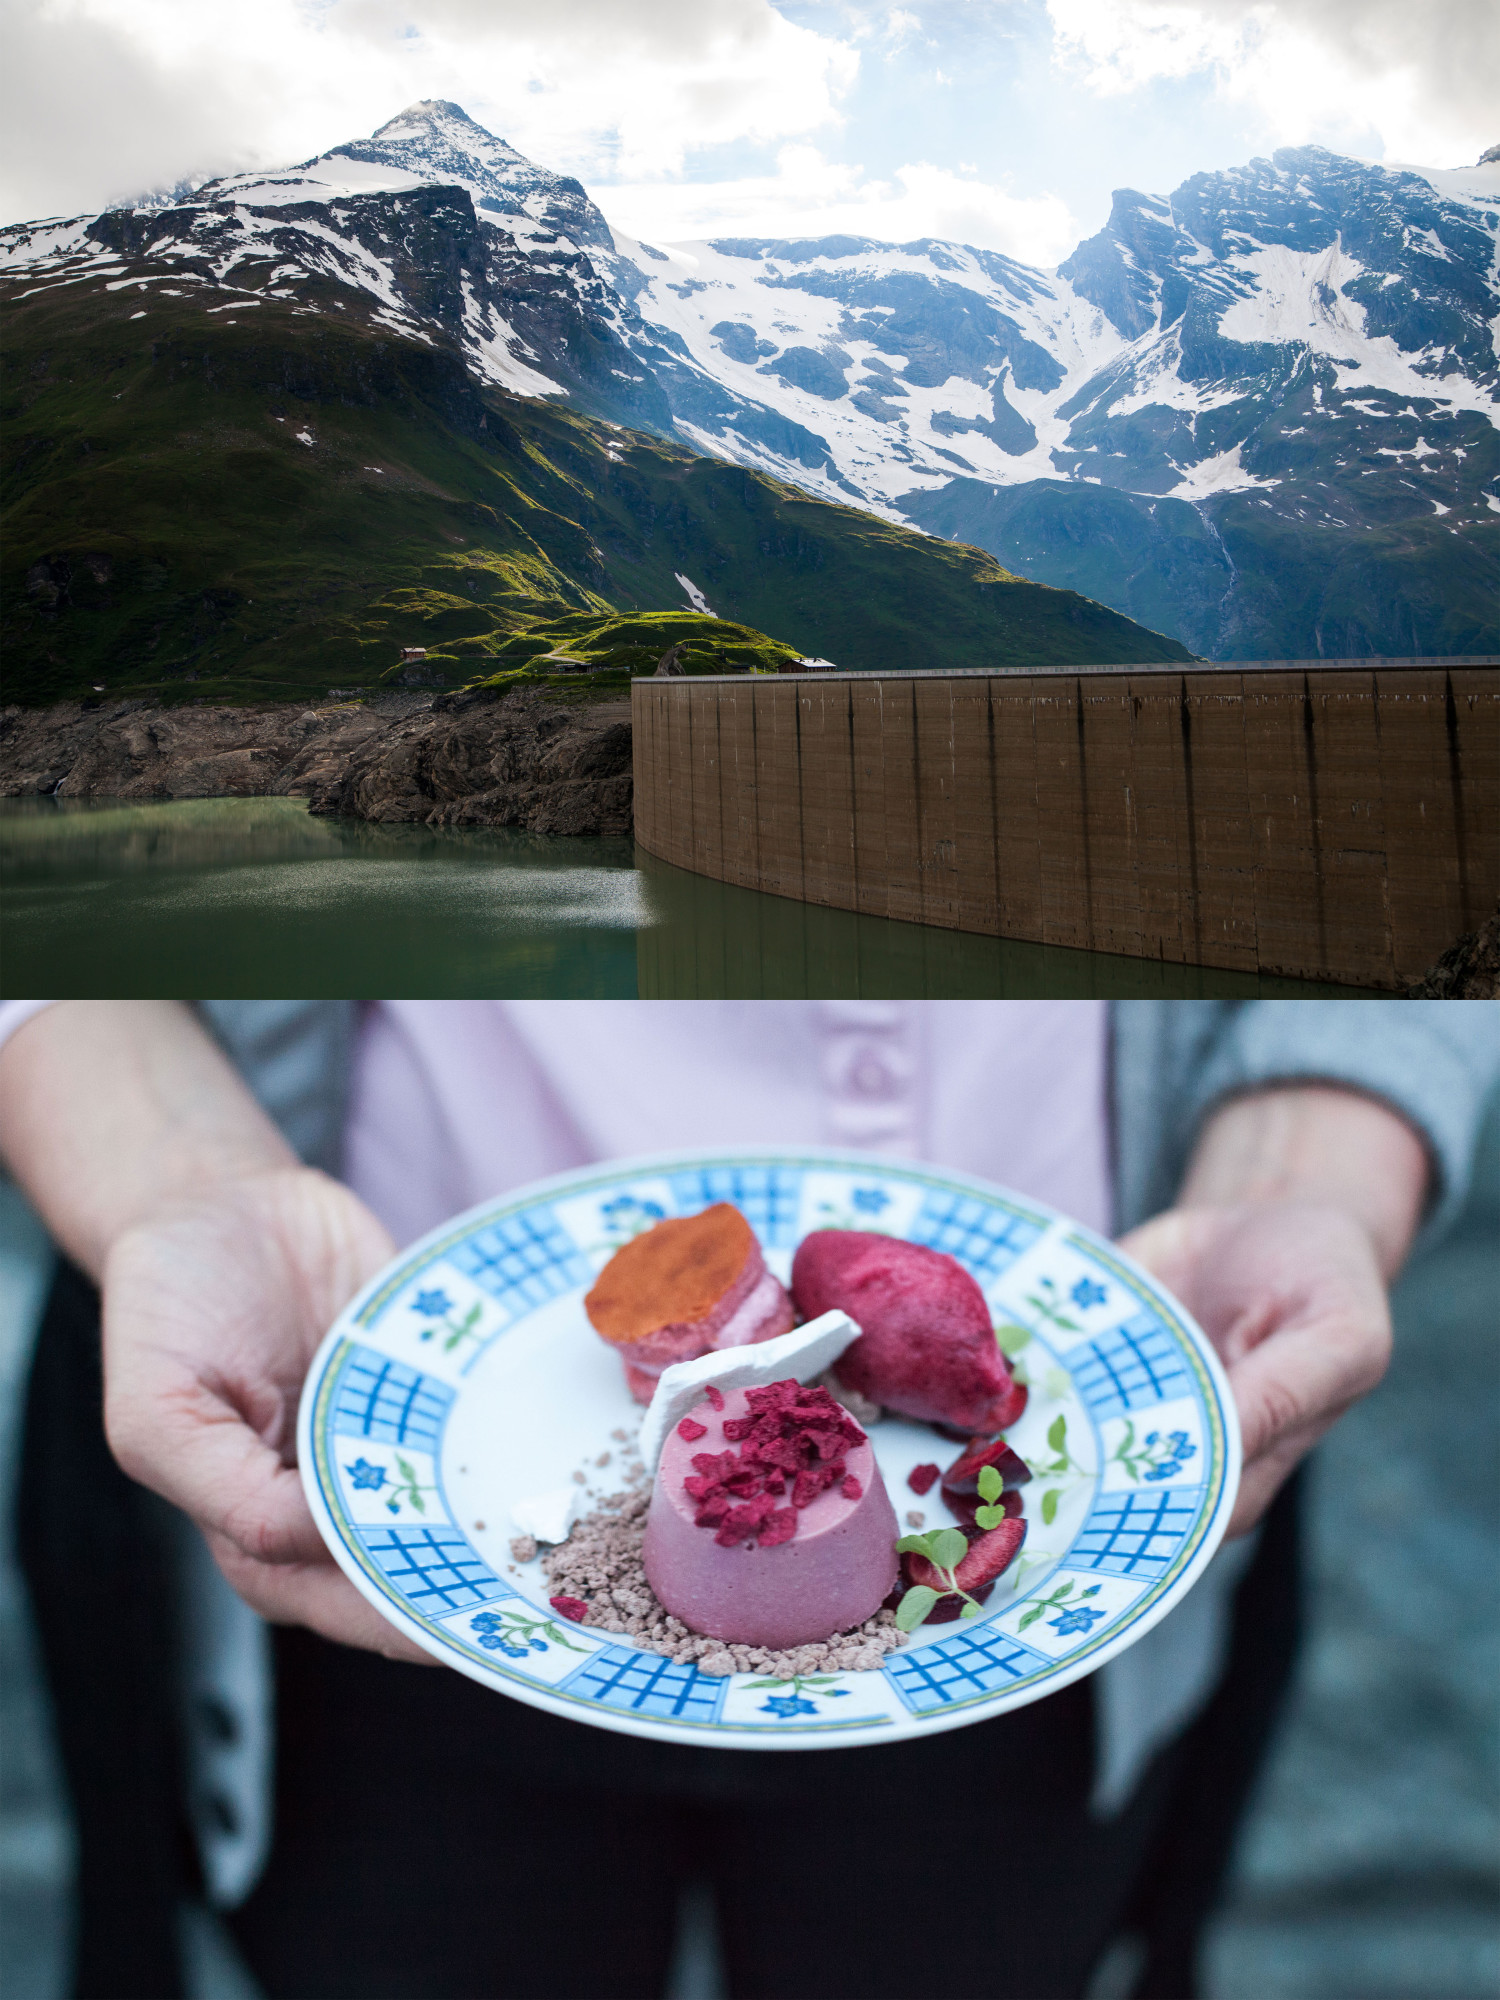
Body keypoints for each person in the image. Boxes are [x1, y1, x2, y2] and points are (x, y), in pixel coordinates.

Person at [1, 998, 1494, 2000]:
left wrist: (1306, 1142)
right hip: (405, 1499)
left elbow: (1413, 740)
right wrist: (170, 1167)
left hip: (1072, 1524)